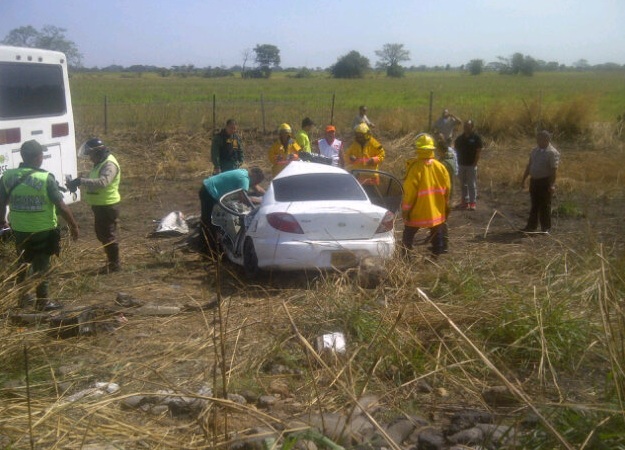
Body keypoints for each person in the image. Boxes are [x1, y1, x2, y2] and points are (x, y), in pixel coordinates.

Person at [0, 140, 79, 310]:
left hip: (20, 229)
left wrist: (2, 221)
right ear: (37, 158)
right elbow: (62, 206)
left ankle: (23, 298)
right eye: (41, 155)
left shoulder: (7, 177)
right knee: (42, 265)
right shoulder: (45, 178)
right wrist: (73, 225)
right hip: (43, 230)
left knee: (23, 263)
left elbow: (1, 202)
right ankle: (43, 302)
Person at [66, 138, 122, 273]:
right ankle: (112, 262)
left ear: (98, 152)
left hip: (107, 205)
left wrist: (81, 181)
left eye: (90, 155)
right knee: (102, 234)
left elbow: (103, 182)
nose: (90, 158)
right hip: (100, 205)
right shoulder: (100, 162)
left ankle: (115, 264)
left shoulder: (109, 164)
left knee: (108, 235)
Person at [401, 134, 451, 256]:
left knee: (408, 234)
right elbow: (448, 189)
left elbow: (409, 192)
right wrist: (445, 206)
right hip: (436, 210)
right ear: (432, 149)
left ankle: (406, 255)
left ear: (418, 149)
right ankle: (436, 254)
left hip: (417, 210)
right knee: (436, 230)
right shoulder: (441, 167)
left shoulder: (414, 168)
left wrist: (405, 210)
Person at [199, 167, 265, 255]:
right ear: (255, 176)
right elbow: (243, 199)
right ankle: (209, 249)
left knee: (208, 218)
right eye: (257, 181)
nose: (255, 184)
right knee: (208, 221)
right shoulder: (244, 179)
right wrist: (261, 201)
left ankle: (207, 242)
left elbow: (257, 188)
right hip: (209, 192)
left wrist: (268, 195)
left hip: (207, 185)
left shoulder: (244, 173)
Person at [520, 130, 560, 233]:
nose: (538, 141)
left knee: (545, 205)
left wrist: (552, 184)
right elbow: (529, 165)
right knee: (534, 204)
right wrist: (524, 179)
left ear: (546, 140)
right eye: (537, 139)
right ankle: (531, 226)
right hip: (534, 181)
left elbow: (553, 170)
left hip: (545, 181)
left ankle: (546, 227)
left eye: (540, 139)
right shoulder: (534, 151)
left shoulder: (552, 152)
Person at [343, 123, 385, 197]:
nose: (359, 138)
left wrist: (374, 160)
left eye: (361, 136)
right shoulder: (355, 144)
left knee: (374, 200)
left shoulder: (374, 144)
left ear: (366, 134)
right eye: (357, 136)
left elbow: (382, 155)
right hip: (359, 178)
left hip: (371, 179)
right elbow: (346, 156)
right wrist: (350, 158)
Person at [454, 120, 483, 211]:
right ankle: (464, 202)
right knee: (463, 184)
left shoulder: (476, 138)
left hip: (471, 165)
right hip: (461, 165)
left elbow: (478, 151)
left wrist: (475, 163)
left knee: (471, 184)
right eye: (465, 126)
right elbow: (456, 151)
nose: (466, 127)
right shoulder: (459, 139)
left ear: (472, 127)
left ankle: (472, 203)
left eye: (468, 126)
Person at [434, 132, 458, 200]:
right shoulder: (445, 154)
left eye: (439, 138)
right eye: (437, 138)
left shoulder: (446, 159)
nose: (438, 140)